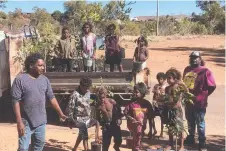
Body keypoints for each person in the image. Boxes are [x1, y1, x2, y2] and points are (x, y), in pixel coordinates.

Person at [11, 53, 67, 151]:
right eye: (40, 65)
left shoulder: (45, 80)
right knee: (23, 148)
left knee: (38, 148)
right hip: (26, 122)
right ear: (31, 65)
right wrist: (19, 121)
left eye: (43, 66)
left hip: (41, 122)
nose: (43, 68)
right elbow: (15, 101)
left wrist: (61, 114)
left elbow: (52, 98)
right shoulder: (20, 80)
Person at [183, 51, 216, 151]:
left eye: (196, 57)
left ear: (200, 59)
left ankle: (202, 142)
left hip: (199, 103)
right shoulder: (187, 69)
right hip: (188, 102)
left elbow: (212, 86)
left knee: (200, 123)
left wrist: (204, 95)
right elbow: (184, 84)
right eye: (192, 57)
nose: (193, 59)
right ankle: (191, 138)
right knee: (190, 121)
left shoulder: (206, 71)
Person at [65, 77, 100, 151]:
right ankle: (86, 149)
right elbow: (70, 108)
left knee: (96, 122)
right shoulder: (75, 94)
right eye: (86, 87)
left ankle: (75, 148)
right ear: (81, 86)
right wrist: (70, 121)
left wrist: (92, 101)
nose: (87, 89)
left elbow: (87, 102)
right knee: (84, 132)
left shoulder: (88, 92)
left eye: (88, 87)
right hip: (77, 118)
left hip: (87, 117)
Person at [124, 82, 153, 151]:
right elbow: (125, 113)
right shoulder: (132, 103)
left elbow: (150, 117)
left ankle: (136, 148)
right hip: (133, 125)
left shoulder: (147, 104)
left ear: (142, 93)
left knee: (138, 139)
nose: (135, 93)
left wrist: (151, 131)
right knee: (137, 139)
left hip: (143, 126)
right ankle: (137, 148)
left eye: (137, 92)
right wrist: (131, 118)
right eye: (134, 92)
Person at [164, 68, 186, 151]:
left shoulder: (179, 87)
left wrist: (181, 82)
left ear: (175, 78)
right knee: (170, 128)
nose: (168, 80)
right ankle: (170, 144)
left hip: (177, 111)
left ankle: (181, 146)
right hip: (169, 110)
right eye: (167, 78)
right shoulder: (167, 88)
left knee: (180, 128)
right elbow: (166, 99)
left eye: (169, 78)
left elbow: (186, 90)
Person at [95, 87, 122, 151]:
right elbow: (97, 119)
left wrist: (119, 118)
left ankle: (116, 147)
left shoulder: (111, 101)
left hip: (114, 124)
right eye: (100, 98)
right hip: (106, 126)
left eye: (103, 97)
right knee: (105, 145)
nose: (102, 99)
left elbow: (118, 109)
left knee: (118, 140)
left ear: (106, 95)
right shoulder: (98, 106)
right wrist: (97, 133)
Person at [152, 72, 167, 138]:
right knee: (151, 117)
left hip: (163, 105)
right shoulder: (156, 86)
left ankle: (161, 132)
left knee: (162, 119)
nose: (159, 81)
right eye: (158, 79)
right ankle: (154, 130)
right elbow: (154, 95)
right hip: (156, 105)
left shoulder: (166, 87)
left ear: (164, 79)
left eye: (161, 79)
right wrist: (153, 101)